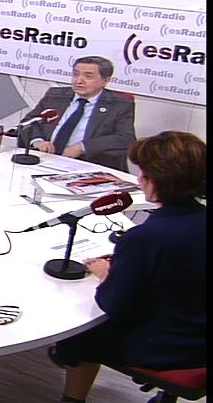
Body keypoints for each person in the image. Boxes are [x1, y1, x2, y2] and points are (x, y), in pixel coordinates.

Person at [47, 131, 206, 403]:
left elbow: (114, 304)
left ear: (155, 181)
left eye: (143, 174)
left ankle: (71, 396)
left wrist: (106, 275)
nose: (139, 179)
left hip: (172, 348)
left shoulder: (144, 238)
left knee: (81, 332)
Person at [18, 56, 136, 172]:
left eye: (88, 76)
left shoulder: (119, 104)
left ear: (105, 80)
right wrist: (38, 141)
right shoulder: (56, 95)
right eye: (75, 74)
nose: (79, 81)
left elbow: (125, 138)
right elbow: (29, 122)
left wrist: (83, 147)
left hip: (88, 166)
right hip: (46, 160)